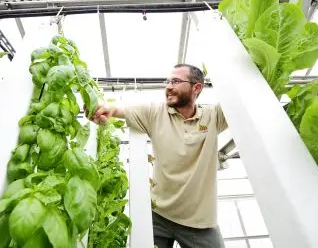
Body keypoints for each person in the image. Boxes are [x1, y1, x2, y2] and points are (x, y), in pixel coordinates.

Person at [87, 63, 228, 248]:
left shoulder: (213, 116)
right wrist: (101, 109)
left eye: (176, 81)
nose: (168, 86)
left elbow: (241, 102)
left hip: (199, 223)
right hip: (158, 216)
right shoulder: (155, 113)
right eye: (168, 81)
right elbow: (116, 109)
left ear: (197, 87)